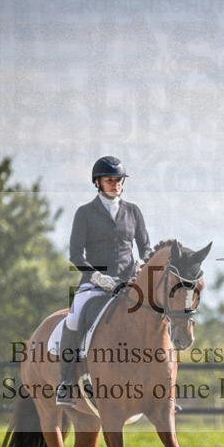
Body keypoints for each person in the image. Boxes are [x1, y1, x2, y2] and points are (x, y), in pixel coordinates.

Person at [57, 156, 151, 405]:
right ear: (97, 182)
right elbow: (76, 254)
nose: (115, 184)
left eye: (118, 180)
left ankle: (160, 384)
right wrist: (97, 276)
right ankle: (66, 382)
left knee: (155, 316)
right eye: (110, 180)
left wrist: (143, 263)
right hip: (95, 283)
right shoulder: (85, 213)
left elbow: (146, 247)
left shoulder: (133, 212)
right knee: (75, 317)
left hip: (129, 283)